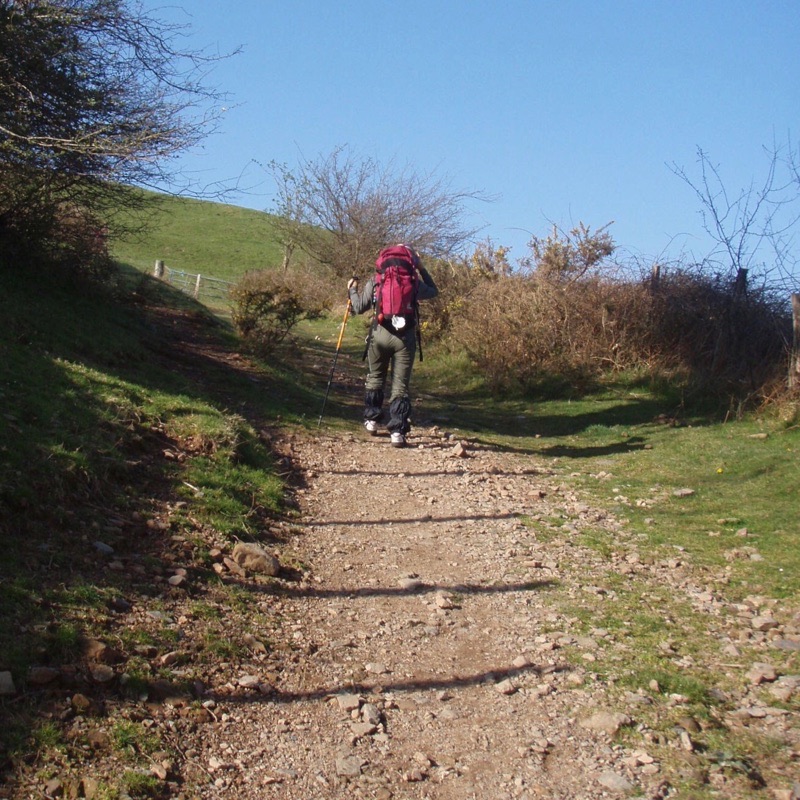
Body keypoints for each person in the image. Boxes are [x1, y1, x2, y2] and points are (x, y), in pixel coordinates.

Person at [348, 244, 438, 447]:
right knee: (400, 386)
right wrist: (422, 269)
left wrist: (352, 290)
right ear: (411, 261)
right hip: (404, 338)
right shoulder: (414, 282)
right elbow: (433, 291)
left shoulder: (377, 280)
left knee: (375, 377)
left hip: (378, 334)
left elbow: (359, 307)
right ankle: (397, 431)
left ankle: (371, 419)